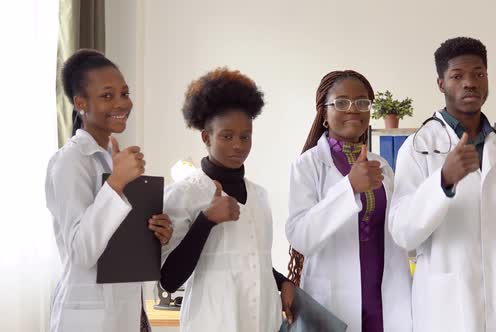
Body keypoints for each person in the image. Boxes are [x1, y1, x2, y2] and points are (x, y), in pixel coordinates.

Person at [390, 37, 496, 332]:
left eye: (478, 74)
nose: (470, 83)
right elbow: (402, 233)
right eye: (457, 76)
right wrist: (443, 181)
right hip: (445, 311)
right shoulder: (418, 147)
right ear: (441, 84)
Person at [45, 49, 173, 332]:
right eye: (107, 95)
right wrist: (116, 184)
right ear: (81, 103)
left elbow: (120, 243)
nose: (122, 103)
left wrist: (157, 234)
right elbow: (82, 252)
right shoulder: (70, 161)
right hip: (89, 317)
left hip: (130, 310)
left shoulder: (112, 156)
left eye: (124, 93)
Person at [160, 67, 295, 331]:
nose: (238, 145)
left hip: (262, 322)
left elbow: (251, 260)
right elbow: (169, 280)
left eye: (245, 136)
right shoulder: (183, 194)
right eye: (227, 136)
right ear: (206, 137)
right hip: (212, 323)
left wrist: (282, 282)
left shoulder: (259, 195)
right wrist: (206, 220)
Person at [286, 70, 412, 332]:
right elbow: (300, 236)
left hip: (384, 294)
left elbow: (399, 227)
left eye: (362, 102)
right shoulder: (307, 166)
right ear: (324, 113)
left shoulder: (383, 166)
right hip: (333, 300)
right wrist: (349, 188)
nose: (353, 110)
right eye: (341, 102)